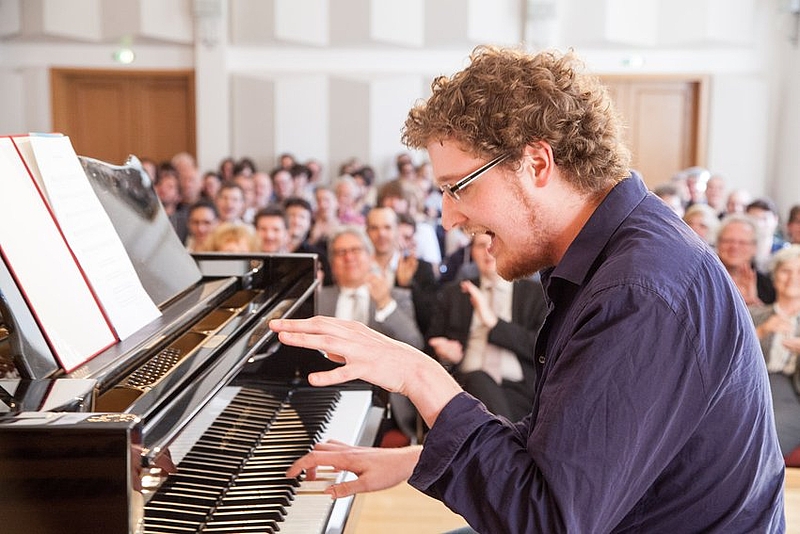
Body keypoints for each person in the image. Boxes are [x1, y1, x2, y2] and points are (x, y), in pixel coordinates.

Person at [270, 46, 784, 532]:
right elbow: (568, 446)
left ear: (537, 163)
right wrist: (419, 457)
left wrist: (421, 376)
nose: (448, 218)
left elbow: (547, 522)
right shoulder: (620, 255)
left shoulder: (638, 292)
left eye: (458, 187)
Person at [318, 226, 424, 442]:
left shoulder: (395, 296)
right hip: (328, 392)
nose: (349, 257)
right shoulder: (319, 299)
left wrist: (384, 302)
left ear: (370, 257)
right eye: (340, 252)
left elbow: (414, 343)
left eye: (355, 250)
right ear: (332, 264)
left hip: (381, 396)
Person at [427, 233, 547, 421]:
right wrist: (446, 357)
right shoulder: (454, 294)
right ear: (472, 252)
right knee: (477, 379)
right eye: (480, 245)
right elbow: (430, 347)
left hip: (520, 390)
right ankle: (506, 435)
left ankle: (501, 434)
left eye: (494, 242)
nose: (488, 250)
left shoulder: (535, 295)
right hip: (465, 388)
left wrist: (494, 323)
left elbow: (542, 349)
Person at [750, 245, 800, 459]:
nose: (793, 278)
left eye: (799, 272)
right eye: (786, 271)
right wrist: (761, 331)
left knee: (771, 432)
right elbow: (727, 356)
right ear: (774, 276)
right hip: (752, 388)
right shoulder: (753, 314)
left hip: (792, 393)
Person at [717, 214, 776, 306]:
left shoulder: (769, 286)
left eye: (742, 242)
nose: (734, 247)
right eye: (728, 241)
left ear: (755, 247)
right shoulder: (702, 278)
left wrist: (752, 304)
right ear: (718, 243)